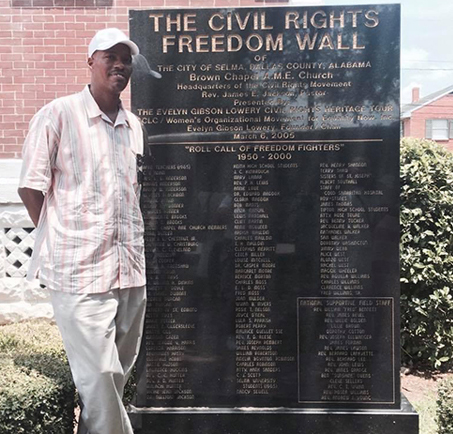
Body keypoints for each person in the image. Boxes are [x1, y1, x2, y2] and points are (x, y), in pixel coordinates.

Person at [18, 28, 147, 434]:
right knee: (101, 376)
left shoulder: (133, 126)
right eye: (110, 56)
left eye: (126, 59)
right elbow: (30, 186)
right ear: (91, 61)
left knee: (112, 380)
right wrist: (61, 237)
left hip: (129, 273)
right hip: (78, 273)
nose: (120, 65)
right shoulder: (57, 115)